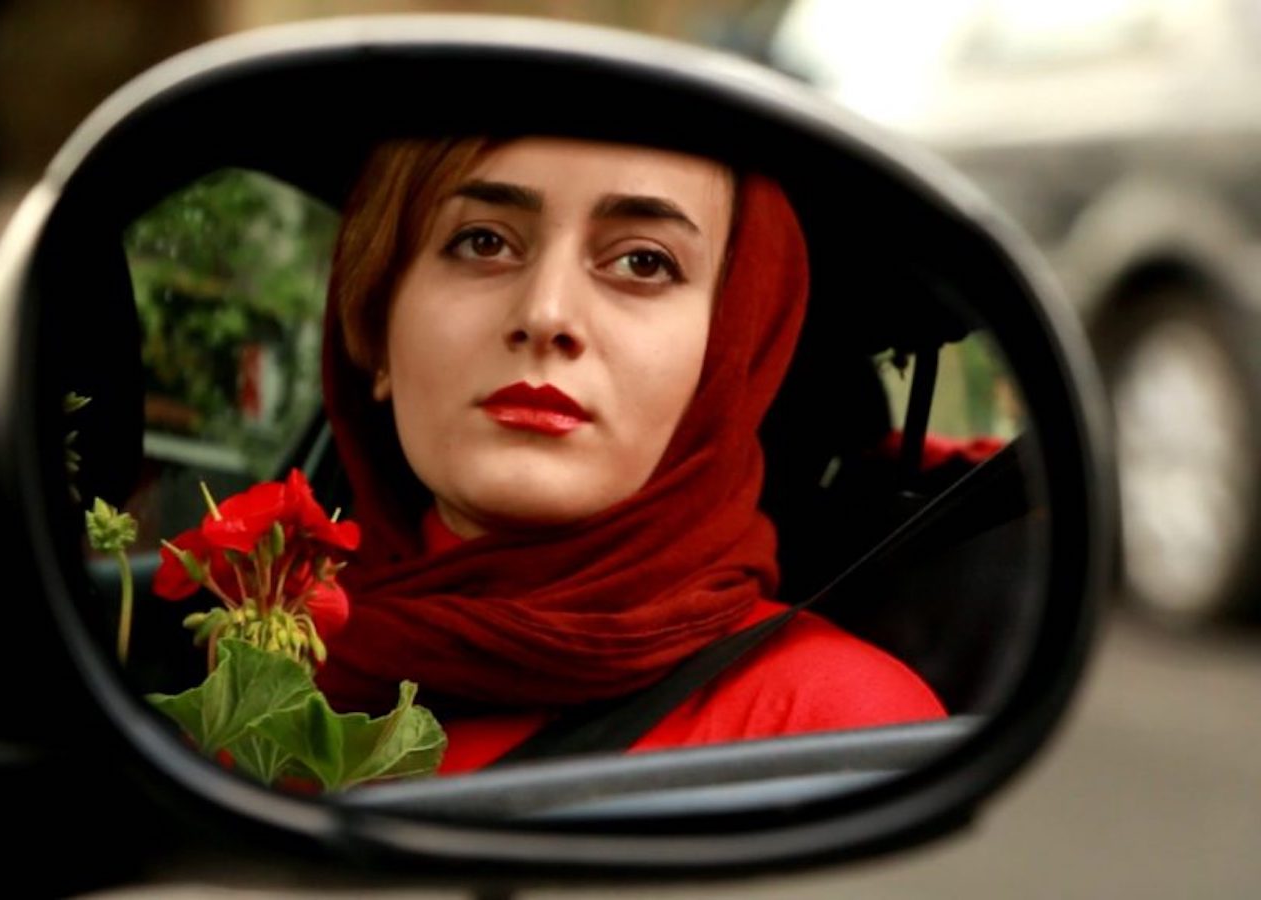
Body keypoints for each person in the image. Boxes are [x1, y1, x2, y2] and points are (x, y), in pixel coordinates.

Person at [311, 136, 945, 775]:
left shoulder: (836, 727)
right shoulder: (248, 662)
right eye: (484, 242)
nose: (545, 313)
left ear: (725, 360)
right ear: (375, 325)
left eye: (644, 262)